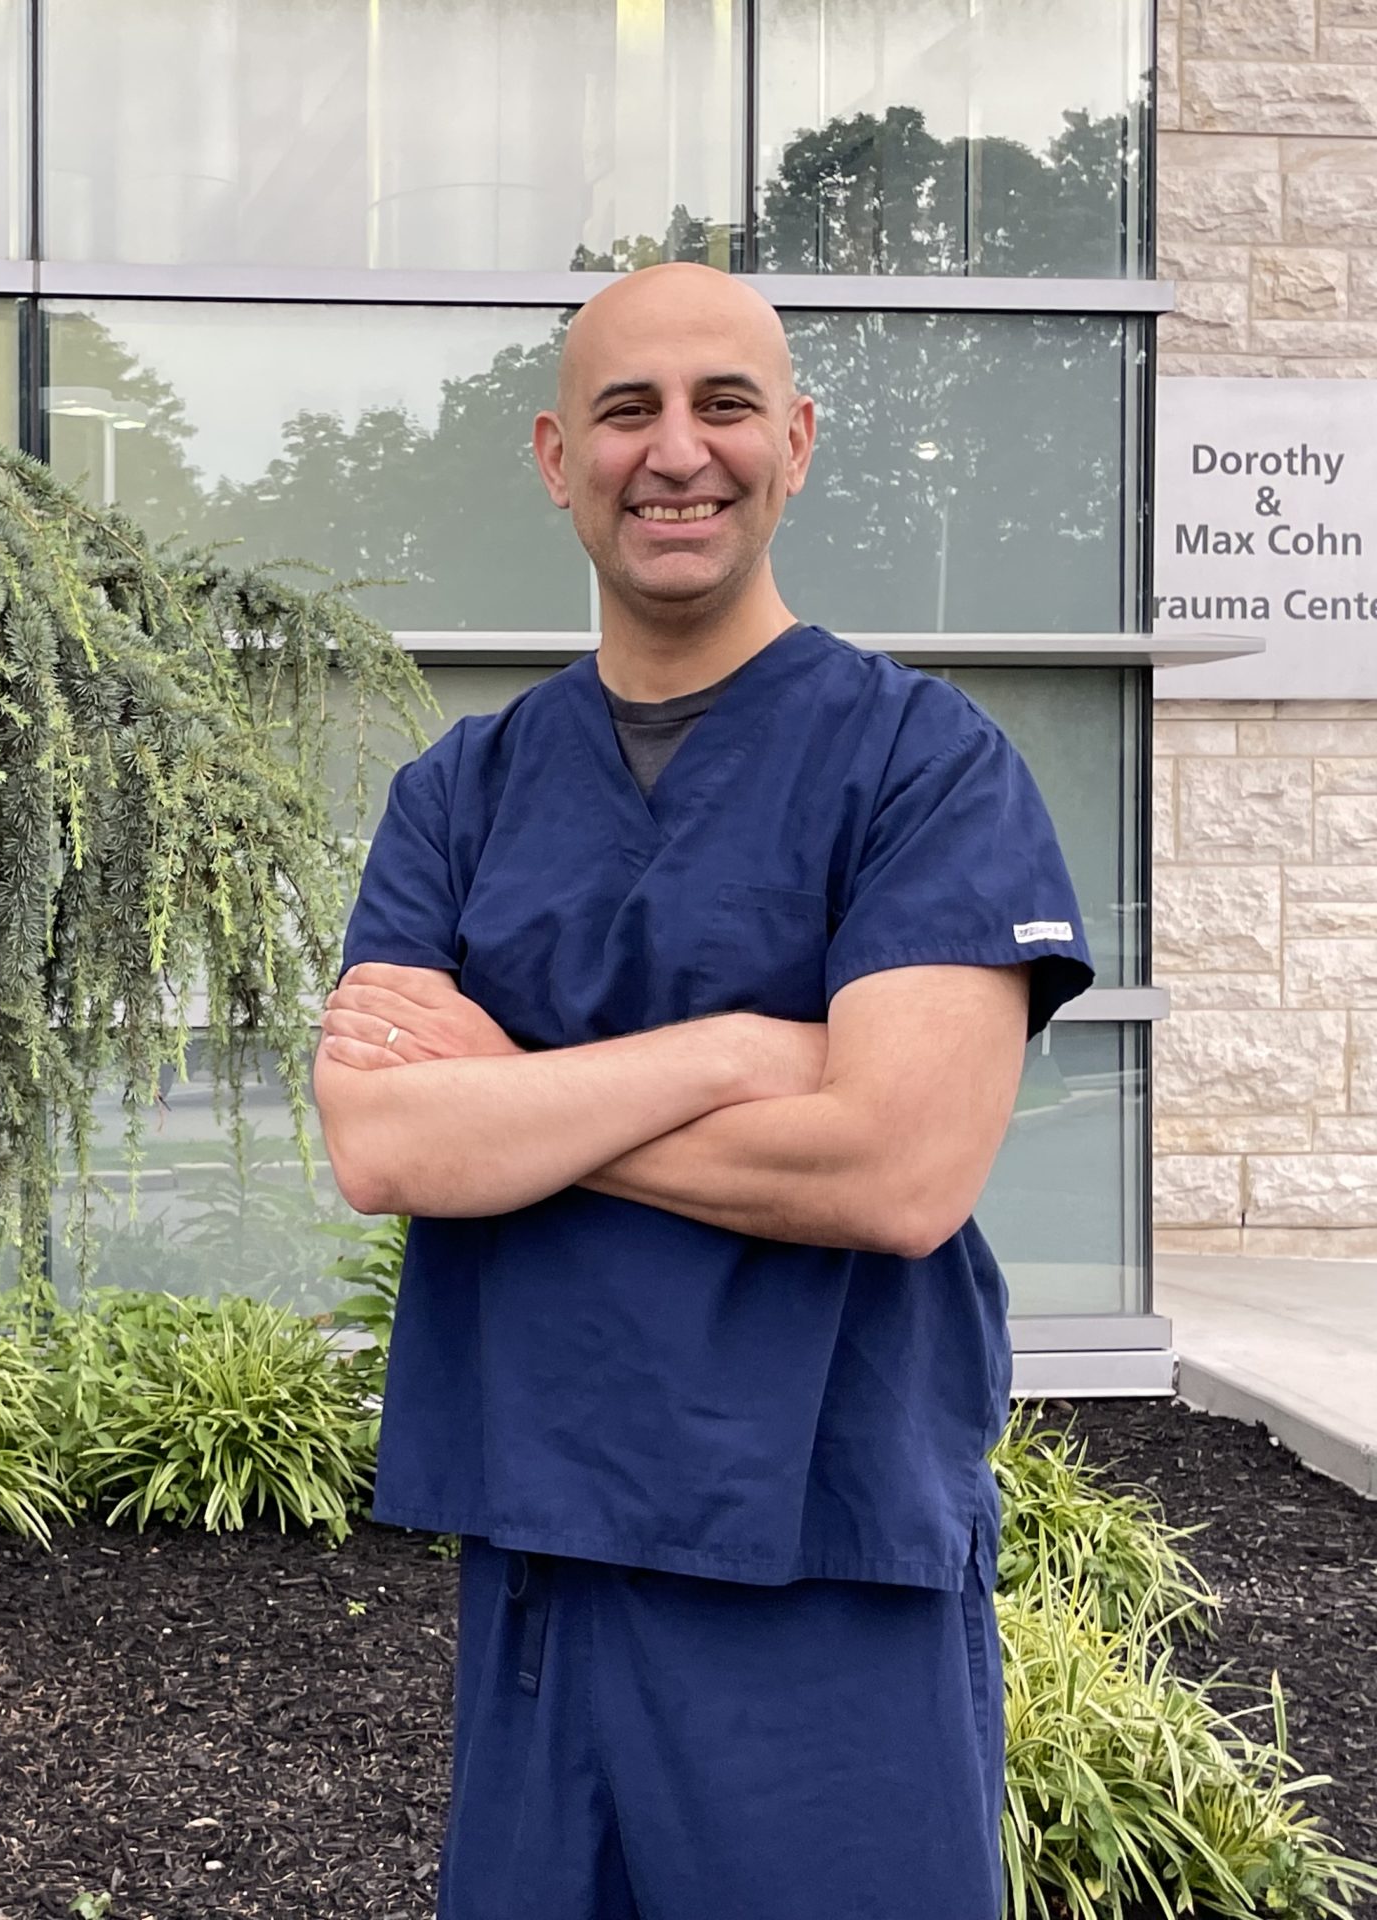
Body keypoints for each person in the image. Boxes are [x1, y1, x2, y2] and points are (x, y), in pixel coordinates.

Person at [312, 262, 1093, 1920]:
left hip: (824, 1555)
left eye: (725, 405)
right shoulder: (463, 791)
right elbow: (383, 1136)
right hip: (543, 1553)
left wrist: (517, 1104)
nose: (679, 451)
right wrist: (742, 1052)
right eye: (628, 410)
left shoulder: (924, 766)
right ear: (552, 457)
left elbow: (897, 1169)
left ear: (796, 442)